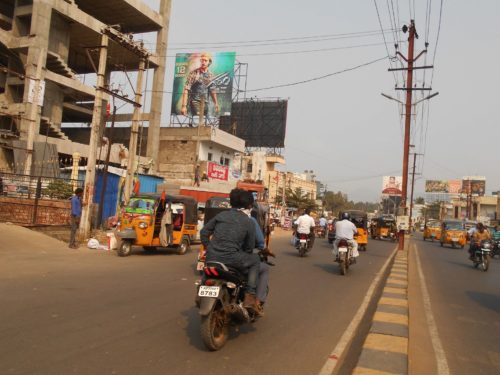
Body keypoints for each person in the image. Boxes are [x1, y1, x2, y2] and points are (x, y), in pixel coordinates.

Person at [200, 188, 260, 313]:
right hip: (233, 259)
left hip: (212, 257)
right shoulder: (249, 222)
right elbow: (249, 248)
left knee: (207, 269)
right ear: (249, 206)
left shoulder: (221, 215)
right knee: (255, 260)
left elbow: (204, 232)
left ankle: (200, 290)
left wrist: (209, 247)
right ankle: (250, 295)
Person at [180, 52, 219, 118]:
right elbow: (186, 89)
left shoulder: (210, 75)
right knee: (197, 120)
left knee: (203, 124)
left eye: (205, 60)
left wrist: (216, 103)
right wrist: (184, 106)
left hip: (205, 103)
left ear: (209, 62)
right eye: (202, 60)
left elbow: (212, 90)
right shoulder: (194, 73)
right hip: (195, 101)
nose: (203, 62)